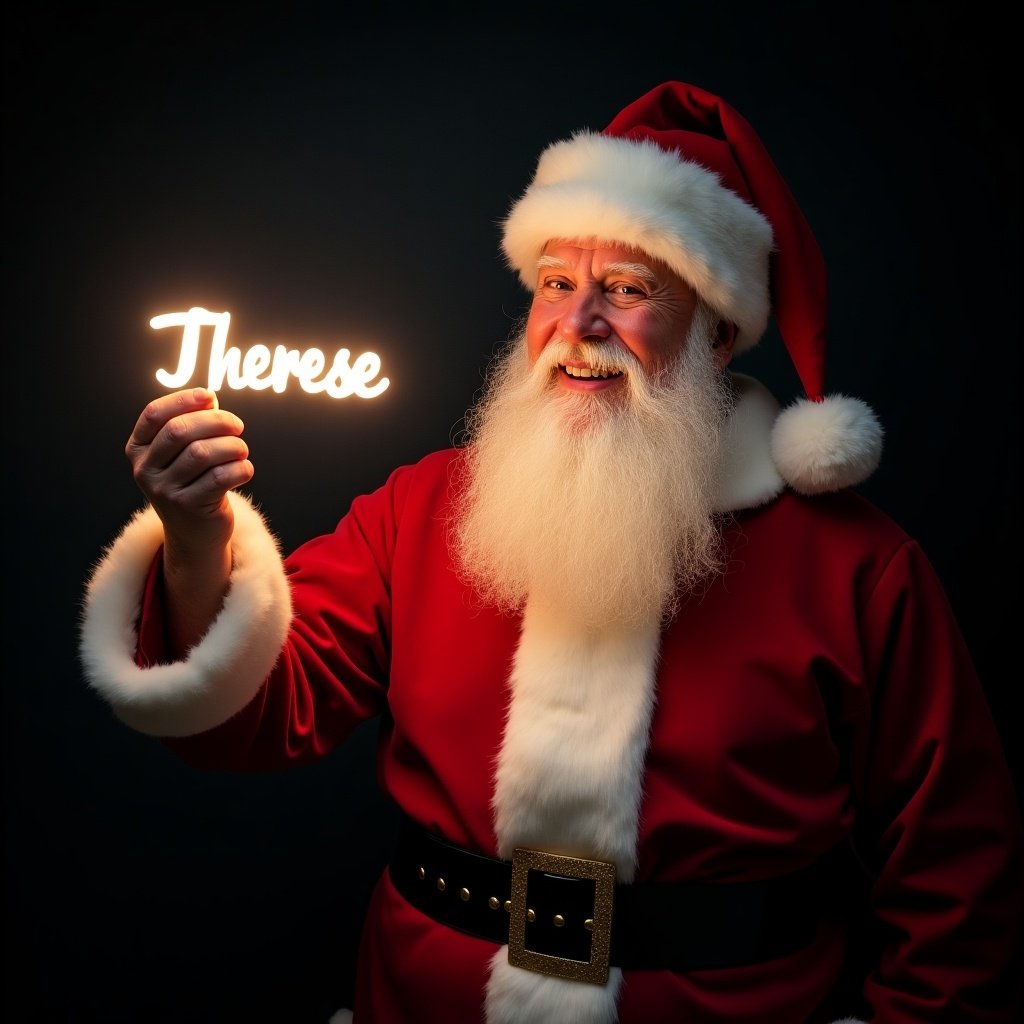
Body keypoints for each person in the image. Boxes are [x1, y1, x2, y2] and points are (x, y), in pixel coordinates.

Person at [79, 81, 1023, 1024]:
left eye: (627, 290)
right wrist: (199, 539)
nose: (577, 326)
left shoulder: (854, 566)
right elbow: (250, 715)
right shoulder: (423, 508)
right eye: (557, 284)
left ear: (722, 331)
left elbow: (959, 868)